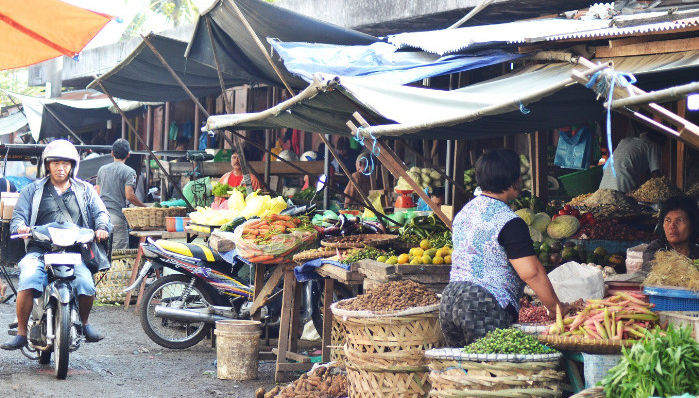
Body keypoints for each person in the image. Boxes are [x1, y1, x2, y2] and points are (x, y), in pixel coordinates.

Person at [440, 149, 567, 347]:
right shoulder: (509, 221)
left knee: (464, 372)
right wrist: (555, 309)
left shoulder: (465, 212)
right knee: (491, 371)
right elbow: (531, 273)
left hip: (449, 299)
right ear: (513, 180)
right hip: (482, 304)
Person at [1, 140, 112, 350]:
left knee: (87, 284)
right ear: (47, 165)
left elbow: (101, 212)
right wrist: (21, 227)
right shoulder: (31, 191)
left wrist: (101, 226)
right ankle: (22, 333)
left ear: (73, 166)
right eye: (56, 163)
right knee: (28, 278)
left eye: (65, 164)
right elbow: (18, 217)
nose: (61, 168)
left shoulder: (86, 190)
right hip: (40, 250)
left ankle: (85, 324)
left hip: (74, 252)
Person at [95, 139, 147, 250]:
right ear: (128, 155)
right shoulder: (129, 172)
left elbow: (97, 194)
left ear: (112, 153)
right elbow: (129, 196)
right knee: (119, 256)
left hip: (101, 218)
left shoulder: (102, 170)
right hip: (117, 217)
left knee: (102, 253)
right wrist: (144, 207)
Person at [642, 195, 699, 272]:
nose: (672, 226)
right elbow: (653, 270)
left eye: (679, 220)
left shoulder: (696, 251)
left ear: (692, 225)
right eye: (667, 220)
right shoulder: (654, 250)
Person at [598, 131, 665, 193]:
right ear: (659, 140)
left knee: (606, 203)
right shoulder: (653, 146)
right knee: (623, 203)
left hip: (606, 177)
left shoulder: (625, 141)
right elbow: (656, 176)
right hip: (622, 180)